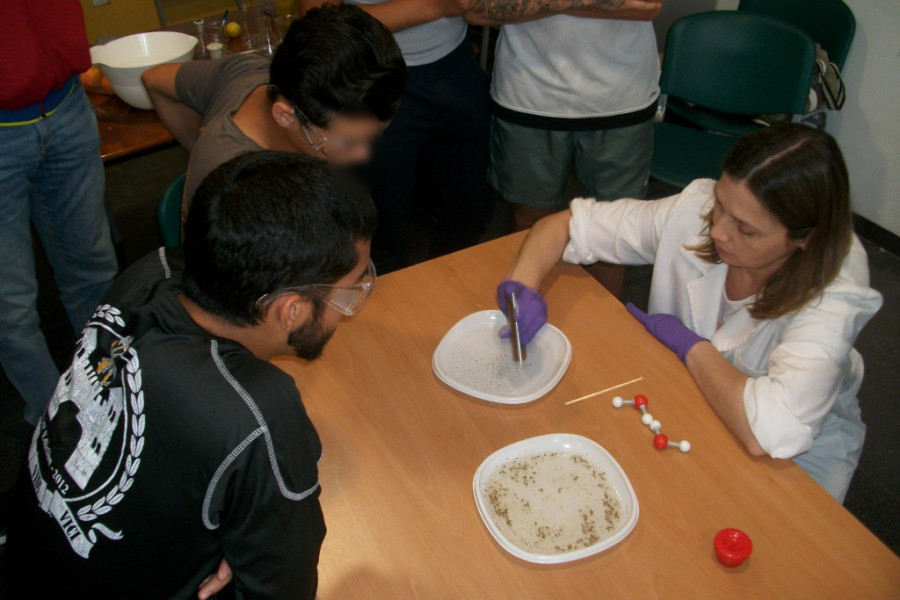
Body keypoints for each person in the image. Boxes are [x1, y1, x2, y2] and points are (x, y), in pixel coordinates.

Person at [5, 151, 378, 599]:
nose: (350, 308)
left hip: (29, 559)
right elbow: (282, 588)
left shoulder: (152, 272)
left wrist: (239, 531)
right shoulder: (259, 411)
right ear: (291, 310)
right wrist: (250, 545)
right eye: (352, 291)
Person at [497, 124, 882, 502]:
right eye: (721, 204)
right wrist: (521, 285)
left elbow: (768, 432)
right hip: (688, 398)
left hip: (797, 453)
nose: (717, 232)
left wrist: (691, 346)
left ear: (805, 238)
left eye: (745, 230)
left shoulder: (834, 292)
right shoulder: (696, 212)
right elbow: (566, 225)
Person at [298, 0, 661, 273]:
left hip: (462, 70)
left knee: (475, 209)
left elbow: (646, 5)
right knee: (386, 219)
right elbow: (476, 7)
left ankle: (455, 290)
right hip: (387, 77)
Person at [141, 4, 407, 218]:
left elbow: (155, 79)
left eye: (372, 136)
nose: (363, 154)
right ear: (284, 115)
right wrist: (203, 149)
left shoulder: (249, 69)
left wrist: (196, 143)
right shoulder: (239, 189)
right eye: (347, 142)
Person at [484, 2, 663, 297]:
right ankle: (525, 317)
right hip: (528, 94)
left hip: (620, 99)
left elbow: (646, 5)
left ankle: (605, 330)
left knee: (614, 230)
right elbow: (482, 8)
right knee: (528, 219)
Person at [0, 0, 118, 426]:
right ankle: (56, 429)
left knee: (94, 268)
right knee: (11, 307)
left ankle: (116, 395)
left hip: (66, 102)